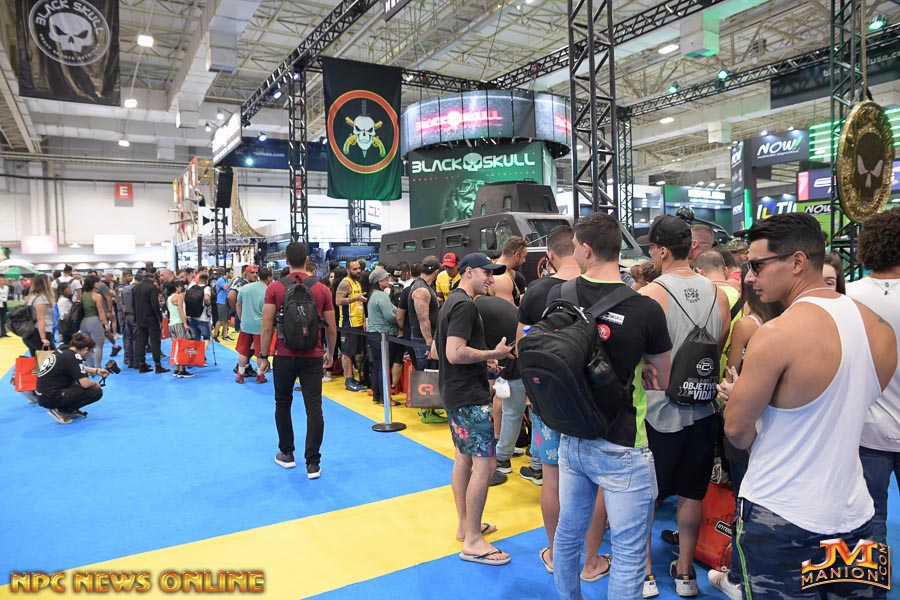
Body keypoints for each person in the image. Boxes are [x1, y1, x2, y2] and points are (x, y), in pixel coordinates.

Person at [721, 213, 896, 599]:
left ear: (798, 262)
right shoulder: (879, 330)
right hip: (854, 514)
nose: (749, 277)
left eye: (757, 265)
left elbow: (736, 431)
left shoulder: (776, 334)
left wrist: (748, 403)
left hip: (780, 515)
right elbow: (851, 404)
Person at [550, 212, 672, 599]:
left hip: (572, 435)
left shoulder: (560, 296)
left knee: (568, 533)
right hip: (623, 442)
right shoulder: (645, 309)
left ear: (586, 250)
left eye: (575, 247)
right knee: (629, 551)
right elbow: (662, 378)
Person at [637, 215, 730, 597]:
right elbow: (717, 347)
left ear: (660, 250)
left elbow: (639, 356)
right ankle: (686, 573)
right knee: (693, 493)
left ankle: (645, 575)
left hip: (658, 412)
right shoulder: (718, 293)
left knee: (647, 497)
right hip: (703, 408)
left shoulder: (650, 295)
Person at [434, 252, 513, 566]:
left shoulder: (452, 302)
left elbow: (439, 350)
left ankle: (465, 526)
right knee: (486, 466)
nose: (491, 278)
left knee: (464, 459)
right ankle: (473, 541)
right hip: (468, 396)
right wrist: (493, 353)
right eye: (486, 272)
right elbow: (454, 353)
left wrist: (482, 358)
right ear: (468, 272)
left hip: (455, 391)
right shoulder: (465, 305)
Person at [846, 207, 900, 600]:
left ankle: (871, 591)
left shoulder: (846, 297)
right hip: (867, 431)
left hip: (866, 429)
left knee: (870, 518)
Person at [259, 242, 337, 479]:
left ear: (286, 261)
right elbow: (331, 327)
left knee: (282, 403)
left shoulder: (275, 288)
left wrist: (263, 355)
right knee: (314, 407)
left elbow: (267, 326)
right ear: (307, 260)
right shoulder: (322, 289)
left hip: (284, 355)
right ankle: (313, 463)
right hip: (312, 355)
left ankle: (287, 453)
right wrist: (330, 352)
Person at [35, 332, 106, 424]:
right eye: (91, 352)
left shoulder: (64, 349)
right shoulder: (74, 357)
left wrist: (95, 371)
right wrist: (95, 383)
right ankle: (62, 411)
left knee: (77, 380)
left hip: (43, 394)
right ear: (85, 350)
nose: (91, 355)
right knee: (95, 391)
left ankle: (67, 409)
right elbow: (85, 384)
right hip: (50, 397)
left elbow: (74, 368)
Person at [366, 268, 400, 406]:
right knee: (384, 368)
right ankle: (385, 399)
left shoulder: (373, 295)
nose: (388, 280)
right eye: (385, 278)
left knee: (377, 367)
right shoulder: (382, 296)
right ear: (379, 281)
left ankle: (377, 396)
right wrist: (400, 319)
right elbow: (390, 315)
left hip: (373, 334)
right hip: (383, 335)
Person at [334, 259, 367, 392]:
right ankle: (348, 380)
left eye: (359, 268)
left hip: (358, 323)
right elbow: (338, 301)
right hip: (348, 323)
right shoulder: (345, 283)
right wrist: (355, 298)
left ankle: (352, 377)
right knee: (347, 353)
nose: (358, 271)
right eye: (355, 269)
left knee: (353, 352)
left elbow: (361, 303)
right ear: (348, 270)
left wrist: (364, 320)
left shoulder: (357, 283)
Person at [235, 266, 268, 384]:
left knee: (243, 352)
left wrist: (241, 318)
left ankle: (240, 375)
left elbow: (238, 304)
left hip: (246, 324)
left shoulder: (244, 288)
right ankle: (260, 376)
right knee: (260, 353)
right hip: (260, 326)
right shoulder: (267, 290)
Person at [133, 273, 169, 374]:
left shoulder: (135, 288)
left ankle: (141, 364)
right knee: (155, 341)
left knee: (141, 341)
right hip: (151, 318)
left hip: (140, 318)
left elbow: (133, 304)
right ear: (151, 278)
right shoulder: (152, 288)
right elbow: (154, 305)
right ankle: (157, 365)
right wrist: (159, 318)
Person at [164, 280, 194, 379]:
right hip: (179, 323)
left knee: (176, 347)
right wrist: (185, 323)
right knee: (182, 346)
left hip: (172, 324)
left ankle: (177, 368)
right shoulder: (179, 296)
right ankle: (182, 370)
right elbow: (180, 310)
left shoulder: (168, 299)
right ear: (176, 287)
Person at [22, 274, 56, 356]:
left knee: (37, 359)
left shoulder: (31, 297)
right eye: (49, 281)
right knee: (51, 358)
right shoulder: (42, 299)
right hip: (40, 332)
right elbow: (40, 318)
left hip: (29, 332)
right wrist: (43, 338)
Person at [491, 236, 528, 306]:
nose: (524, 261)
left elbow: (512, 298)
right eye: (524, 257)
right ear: (517, 255)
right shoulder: (502, 279)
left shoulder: (495, 264)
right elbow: (509, 310)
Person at [213, 269, 233, 341]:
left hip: (226, 302)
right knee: (220, 319)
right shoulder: (220, 280)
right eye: (231, 273)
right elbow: (225, 287)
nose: (232, 275)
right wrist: (231, 281)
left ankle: (225, 335)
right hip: (221, 302)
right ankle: (215, 335)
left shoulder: (227, 280)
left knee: (226, 319)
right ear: (227, 273)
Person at [55, 281, 75, 345]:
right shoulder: (63, 300)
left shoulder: (65, 299)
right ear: (63, 290)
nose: (70, 289)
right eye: (68, 288)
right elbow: (63, 314)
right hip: (66, 325)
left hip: (67, 324)